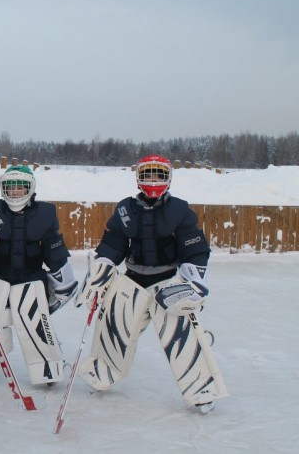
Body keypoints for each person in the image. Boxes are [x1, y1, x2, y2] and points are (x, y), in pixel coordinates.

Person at [75, 154, 228, 413]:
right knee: (113, 330)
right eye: (147, 174)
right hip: (131, 282)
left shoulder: (180, 210)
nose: (153, 179)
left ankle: (202, 389)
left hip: (168, 283)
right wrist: (101, 271)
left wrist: (194, 279)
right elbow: (113, 245)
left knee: (183, 337)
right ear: (139, 177)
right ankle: (101, 375)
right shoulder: (125, 209)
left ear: (168, 178)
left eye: (158, 174)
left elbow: (194, 247)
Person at [0, 165, 77, 386]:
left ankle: (46, 366)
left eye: (19, 188)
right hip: (0, 276)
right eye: (10, 188)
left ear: (30, 189)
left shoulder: (45, 214)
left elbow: (54, 247)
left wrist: (64, 280)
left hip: (32, 277)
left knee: (33, 323)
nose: (14, 193)